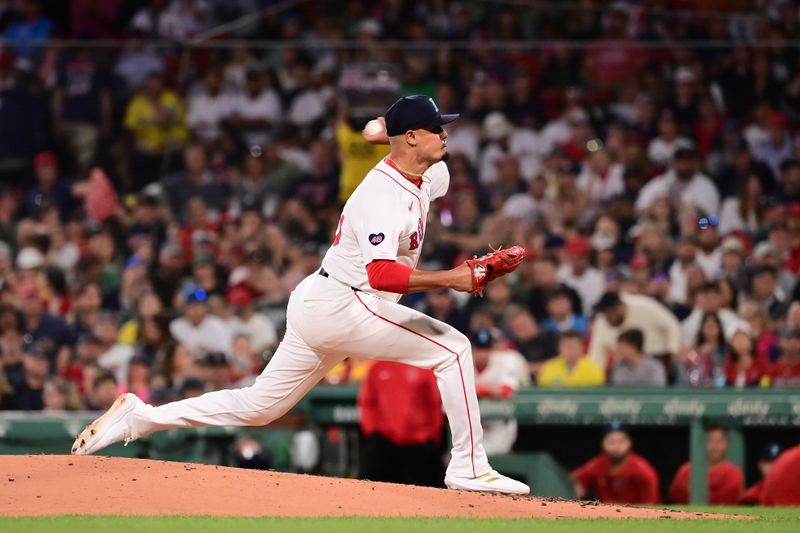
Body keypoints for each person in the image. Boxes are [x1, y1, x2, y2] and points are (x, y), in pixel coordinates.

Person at [71, 95, 530, 495]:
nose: (446, 133)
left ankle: (140, 417)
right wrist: (451, 278)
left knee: (259, 407)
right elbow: (383, 275)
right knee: (453, 348)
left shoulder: (426, 173)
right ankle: (471, 467)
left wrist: (380, 131)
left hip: (324, 301)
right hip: (347, 302)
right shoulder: (381, 197)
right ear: (412, 137)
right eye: (436, 128)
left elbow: (403, 149)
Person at [358, 361, 444, 487]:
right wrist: (371, 431)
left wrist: (433, 436)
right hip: (384, 439)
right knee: (371, 485)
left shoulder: (424, 366)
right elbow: (367, 402)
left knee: (422, 491)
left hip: (417, 442)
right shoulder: (377, 367)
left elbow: (433, 402)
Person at [470, 329, 529, 455]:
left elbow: (506, 391)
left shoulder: (505, 360)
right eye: (479, 349)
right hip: (472, 426)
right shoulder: (463, 362)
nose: (482, 353)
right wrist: (490, 389)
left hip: (499, 425)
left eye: (486, 349)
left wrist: (474, 388)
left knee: (483, 456)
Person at [588, 291, 681, 370]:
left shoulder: (643, 306)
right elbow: (597, 353)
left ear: (620, 308)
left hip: (657, 358)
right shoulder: (602, 321)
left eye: (610, 313)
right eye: (604, 313)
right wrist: (594, 375)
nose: (607, 317)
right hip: (624, 365)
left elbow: (671, 324)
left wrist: (673, 351)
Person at [572, 423, 660, 504]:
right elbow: (573, 480)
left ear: (630, 443)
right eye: (611, 441)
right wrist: (575, 487)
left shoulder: (642, 469)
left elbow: (651, 504)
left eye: (621, 441)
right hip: (604, 516)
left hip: (633, 516)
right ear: (602, 443)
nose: (617, 446)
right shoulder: (598, 464)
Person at [668, 426, 744, 505]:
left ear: (726, 443)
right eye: (710, 440)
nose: (715, 445)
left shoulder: (733, 473)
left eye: (719, 440)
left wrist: (694, 492)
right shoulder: (686, 470)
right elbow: (674, 496)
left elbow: (729, 500)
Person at [538, 330, 605, 387]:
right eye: (566, 347)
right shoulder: (548, 367)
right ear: (559, 348)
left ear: (582, 348)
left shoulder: (594, 368)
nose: (570, 350)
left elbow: (597, 394)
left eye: (573, 347)